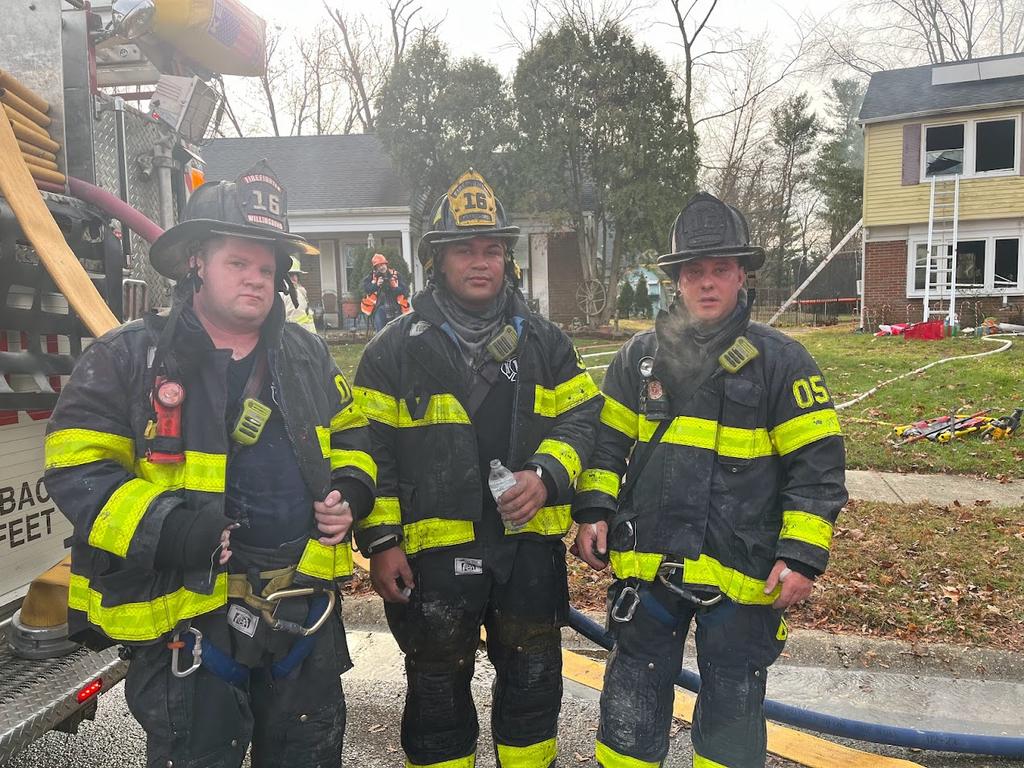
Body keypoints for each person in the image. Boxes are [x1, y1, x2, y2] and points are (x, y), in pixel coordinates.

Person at [44, 161, 376, 768]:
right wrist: (168, 529)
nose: (256, 279)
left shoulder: (304, 353)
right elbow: (76, 467)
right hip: (189, 624)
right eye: (238, 263)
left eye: (266, 268)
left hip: (300, 614)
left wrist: (351, 488)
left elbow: (351, 433)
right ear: (196, 261)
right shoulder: (129, 357)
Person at [573, 191, 847, 768]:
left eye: (720, 269)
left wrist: (801, 556)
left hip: (742, 574)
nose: (706, 283)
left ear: (741, 274)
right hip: (649, 569)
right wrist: (594, 510)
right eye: (693, 270)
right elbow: (607, 446)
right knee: (631, 708)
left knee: (731, 709)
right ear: (676, 279)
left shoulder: (783, 363)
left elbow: (817, 469)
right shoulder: (638, 360)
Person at [353, 170, 601, 768]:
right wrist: (383, 543)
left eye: (492, 249)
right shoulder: (393, 351)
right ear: (437, 259)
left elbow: (585, 420)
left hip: (527, 556)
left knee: (533, 686)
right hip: (433, 563)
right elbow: (367, 451)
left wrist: (546, 474)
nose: (480, 261)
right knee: (437, 696)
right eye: (464, 249)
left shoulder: (545, 343)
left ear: (506, 259)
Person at [361, 252, 409, 332]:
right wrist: (376, 285)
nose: (381, 267)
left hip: (396, 308)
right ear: (375, 268)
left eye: (382, 264)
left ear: (386, 264)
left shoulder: (396, 275)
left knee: (397, 332)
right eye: (378, 266)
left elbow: (405, 290)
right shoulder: (371, 277)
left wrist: (394, 287)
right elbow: (366, 289)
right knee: (381, 332)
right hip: (379, 309)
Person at [286, 254, 318, 333]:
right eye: (290, 275)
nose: (294, 278)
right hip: (297, 339)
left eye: (296, 274)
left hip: (307, 337)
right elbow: (293, 319)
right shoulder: (289, 294)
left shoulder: (300, 292)